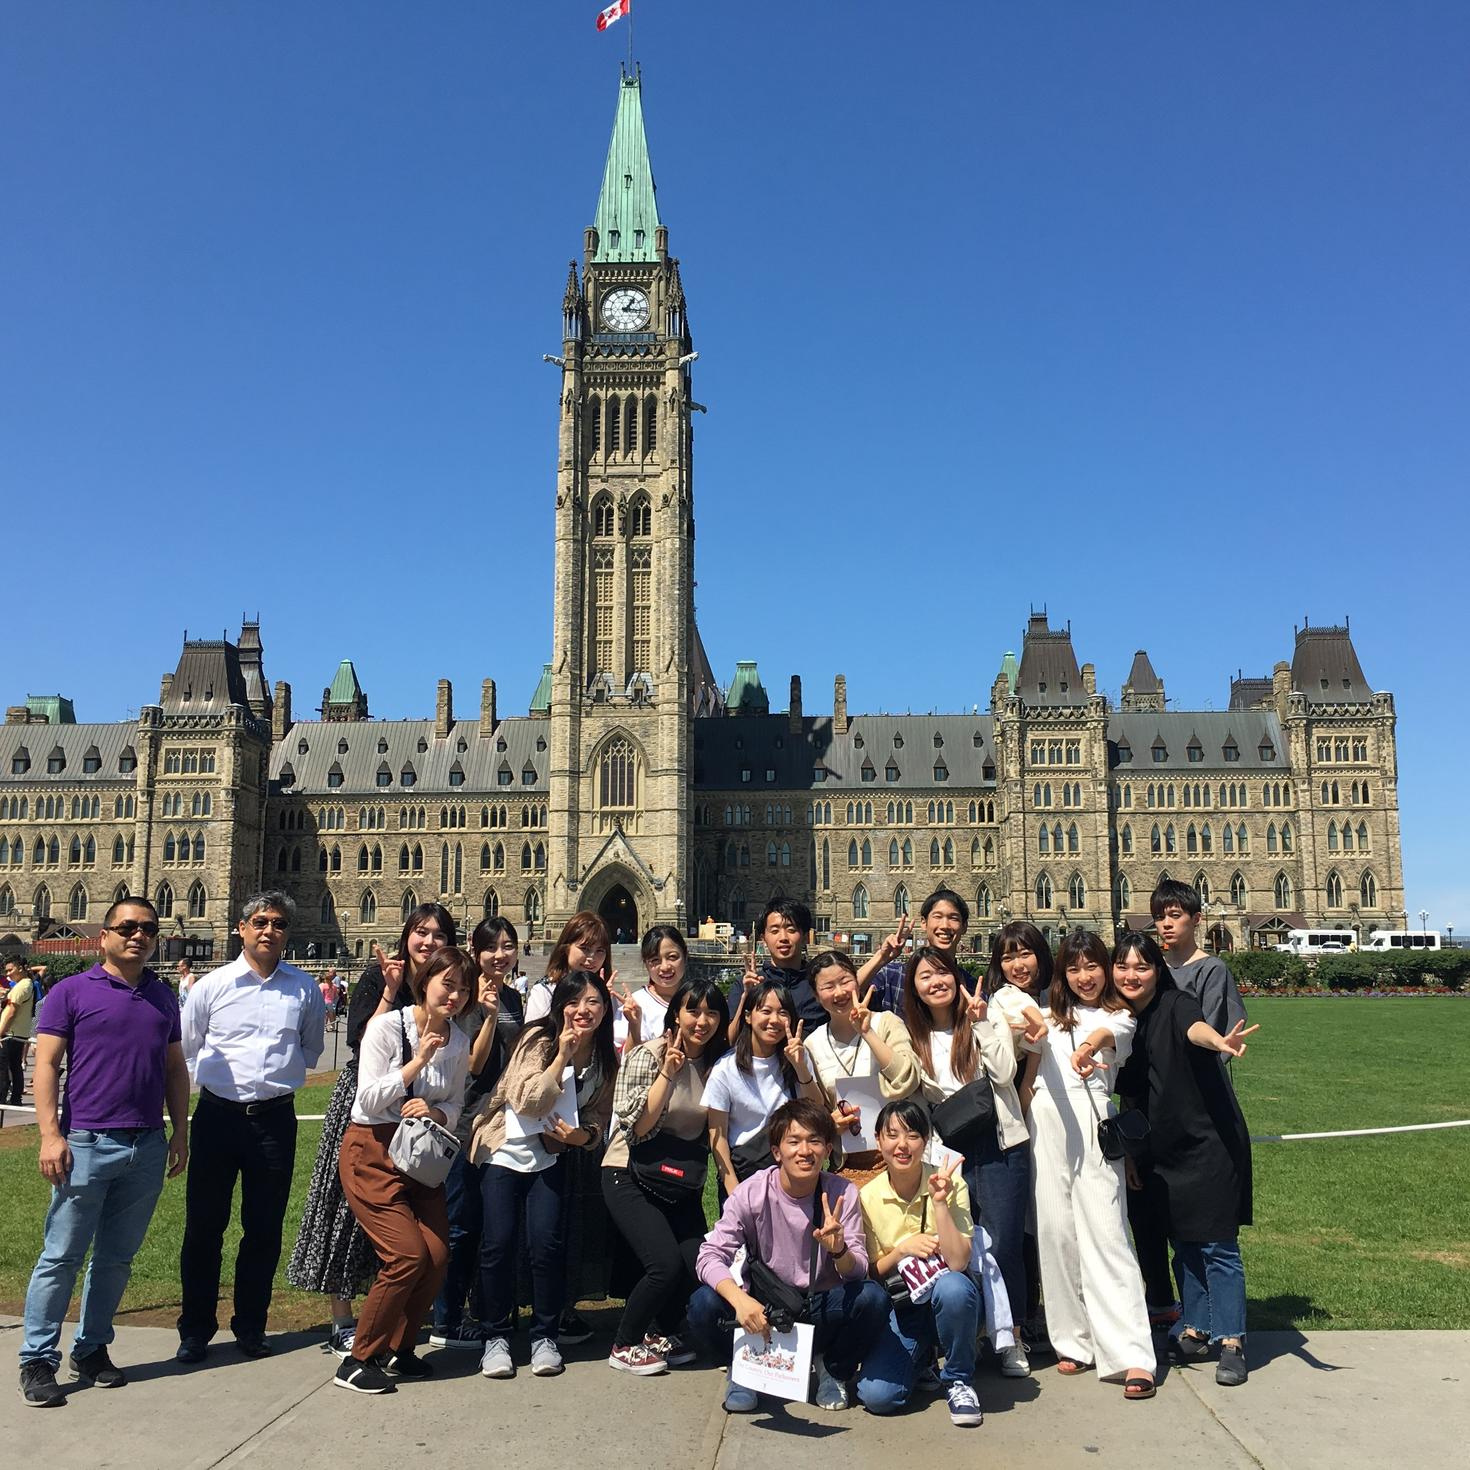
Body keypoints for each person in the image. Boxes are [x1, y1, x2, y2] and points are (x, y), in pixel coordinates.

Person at [17, 898, 189, 1407]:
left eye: (148, 929)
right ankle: (37, 1358)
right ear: (105, 935)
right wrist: (51, 1135)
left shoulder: (163, 996)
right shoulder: (71, 992)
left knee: (116, 1259)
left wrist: (180, 1132)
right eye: (127, 927)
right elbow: (46, 1064)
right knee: (61, 1257)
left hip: (146, 1143)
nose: (138, 936)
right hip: (86, 1142)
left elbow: (174, 1068)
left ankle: (91, 1348)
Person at [286, 903, 456, 1357]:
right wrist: (390, 990)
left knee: (406, 1226)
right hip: (367, 1104)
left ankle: (391, 1322)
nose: (429, 942)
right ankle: (343, 1320)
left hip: (418, 1115)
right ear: (407, 935)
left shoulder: (449, 987)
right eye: (421, 932)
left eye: (439, 934)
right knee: (344, 1214)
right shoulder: (379, 976)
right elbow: (362, 1045)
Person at [175, 892, 326, 1363]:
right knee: (204, 1228)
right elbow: (188, 1048)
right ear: (241, 928)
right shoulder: (211, 986)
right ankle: (195, 1329)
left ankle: (251, 1326)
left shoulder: (303, 989)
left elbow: (311, 1049)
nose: (268, 931)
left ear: (287, 932)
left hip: (274, 1121)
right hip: (217, 1118)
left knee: (263, 1230)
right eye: (260, 922)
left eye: (278, 923)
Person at [1113, 931, 1258, 1388]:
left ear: (1157, 970)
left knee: (1216, 1246)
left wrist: (1218, 1041)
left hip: (1208, 1143)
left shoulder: (1176, 1004)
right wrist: (1132, 1152)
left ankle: (1231, 1341)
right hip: (1161, 1150)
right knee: (1185, 1244)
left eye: (1142, 966)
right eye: (1123, 966)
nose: (1131, 975)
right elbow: (1132, 1096)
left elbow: (1194, 1028)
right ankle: (1196, 1327)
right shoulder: (1124, 1021)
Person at [689, 1097, 889, 1413]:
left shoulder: (842, 1193)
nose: (804, 1151)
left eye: (815, 1141)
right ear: (776, 1151)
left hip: (820, 1304)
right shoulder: (752, 1192)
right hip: (765, 1305)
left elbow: (858, 1272)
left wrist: (839, 1250)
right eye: (793, 1142)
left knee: (872, 1298)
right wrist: (741, 1301)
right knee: (703, 1303)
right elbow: (709, 1255)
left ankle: (832, 1368)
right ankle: (741, 1368)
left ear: (828, 1148)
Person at [334, 946, 474, 1393]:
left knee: (436, 1254)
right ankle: (358, 1358)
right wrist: (417, 1064)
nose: (454, 996)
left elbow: (456, 1103)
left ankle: (398, 1347)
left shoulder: (459, 1041)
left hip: (421, 1156)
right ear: (425, 981)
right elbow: (367, 1098)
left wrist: (435, 1113)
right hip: (373, 1152)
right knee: (406, 1255)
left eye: (463, 989)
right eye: (447, 984)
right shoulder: (386, 1028)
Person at [470, 970, 618, 1381]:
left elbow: (599, 1117)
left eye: (593, 1002)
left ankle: (544, 1336)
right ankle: (496, 1336)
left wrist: (582, 1136)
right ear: (559, 1007)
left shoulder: (605, 1058)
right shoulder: (536, 1039)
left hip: (550, 1158)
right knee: (497, 1244)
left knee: (546, 1246)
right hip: (504, 1150)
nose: (583, 1010)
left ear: (605, 1009)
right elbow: (528, 1100)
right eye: (573, 1002)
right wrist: (562, 1056)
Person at [1029, 931, 1155, 1398]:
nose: (1084, 977)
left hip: (1093, 1119)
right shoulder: (1044, 1014)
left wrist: (1086, 1049)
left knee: (1107, 1232)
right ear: (1062, 974)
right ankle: (1074, 1340)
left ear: (1105, 968)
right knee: (1056, 1233)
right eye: (1074, 968)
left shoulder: (1119, 1016)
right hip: (1046, 1121)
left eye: (1092, 966)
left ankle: (1131, 1353)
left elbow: (1105, 1037)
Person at [904, 947, 1032, 1377]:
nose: (936, 982)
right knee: (956, 1245)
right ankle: (972, 1335)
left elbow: (1004, 1072)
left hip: (999, 1143)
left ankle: (1011, 1336)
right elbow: (913, 1095)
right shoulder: (914, 1036)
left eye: (942, 973)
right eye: (925, 976)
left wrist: (980, 1022)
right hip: (950, 1151)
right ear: (914, 988)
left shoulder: (984, 1016)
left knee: (1004, 1245)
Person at [602, 976, 730, 1374]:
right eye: (693, 1011)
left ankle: (662, 1331)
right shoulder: (649, 1054)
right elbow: (639, 1128)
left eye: (712, 1013)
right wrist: (667, 1074)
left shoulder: (718, 1064)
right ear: (676, 1015)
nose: (702, 1021)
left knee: (698, 1262)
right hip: (630, 1170)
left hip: (679, 1179)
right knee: (664, 1264)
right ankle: (625, 1343)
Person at [855, 1099, 985, 1426]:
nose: (903, 1145)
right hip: (904, 1305)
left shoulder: (949, 1182)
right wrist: (902, 1251)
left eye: (913, 1135)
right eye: (892, 1135)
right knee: (878, 1397)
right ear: (878, 1140)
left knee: (954, 1288)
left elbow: (958, 1262)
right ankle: (922, 1356)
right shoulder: (868, 1197)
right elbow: (872, 1273)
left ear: (925, 1141)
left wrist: (940, 1203)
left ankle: (958, 1379)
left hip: (951, 1297)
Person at [429, 916, 525, 1350]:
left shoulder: (514, 997)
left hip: (500, 1124)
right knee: (461, 1225)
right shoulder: (464, 996)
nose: (500, 955)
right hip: (465, 1122)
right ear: (475, 950)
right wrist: (487, 1017)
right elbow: (472, 1063)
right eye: (491, 947)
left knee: (493, 1226)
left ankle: (486, 1313)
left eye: (508, 946)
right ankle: (445, 1319)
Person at [521, 910, 616, 1343]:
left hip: (579, 1131)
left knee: (575, 1224)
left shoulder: (602, 999)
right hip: (542, 1129)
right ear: (566, 948)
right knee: (544, 1228)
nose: (591, 956)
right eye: (584, 948)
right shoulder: (544, 995)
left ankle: (563, 1308)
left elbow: (606, 1065)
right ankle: (540, 1313)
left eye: (599, 950)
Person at [704, 979, 823, 1199]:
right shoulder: (726, 1068)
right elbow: (717, 1136)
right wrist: (734, 1191)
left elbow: (816, 1109)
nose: (774, 1020)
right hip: (745, 1172)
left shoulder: (797, 1056)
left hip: (792, 1170)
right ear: (748, 1016)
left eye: (783, 1013)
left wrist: (800, 1067)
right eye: (766, 1011)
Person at [804, 949, 919, 1174]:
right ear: (816, 996)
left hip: (900, 1159)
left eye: (845, 981)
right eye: (828, 987)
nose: (839, 992)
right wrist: (830, 1125)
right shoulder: (813, 1044)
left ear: (857, 982)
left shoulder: (886, 1023)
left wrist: (867, 1033)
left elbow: (908, 1080)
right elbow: (817, 1111)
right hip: (846, 1164)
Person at [858, 889, 972, 1019]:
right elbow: (847, 995)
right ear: (924, 923)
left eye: (953, 918)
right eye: (937, 917)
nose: (945, 925)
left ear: (964, 926)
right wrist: (881, 958)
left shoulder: (972, 989)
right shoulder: (893, 977)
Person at [726, 896, 821, 1044]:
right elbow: (731, 1041)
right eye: (775, 931)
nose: (783, 938)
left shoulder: (819, 985)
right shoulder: (746, 985)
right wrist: (747, 998)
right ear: (764, 938)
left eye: (791, 930)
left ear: (805, 937)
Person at [614, 924, 689, 1049]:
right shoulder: (635, 1005)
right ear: (645, 962)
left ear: (685, 955)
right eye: (655, 960)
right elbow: (622, 1057)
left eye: (672, 957)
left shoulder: (699, 998)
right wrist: (634, 1027)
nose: (665, 967)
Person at [1, 954, 42, 1105]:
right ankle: (15, 1098)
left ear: (20, 968)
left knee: (3, 1068)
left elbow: (11, 1012)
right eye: (6, 971)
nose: (8, 974)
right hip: (17, 1033)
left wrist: (0, 1033)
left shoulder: (22, 986)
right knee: (15, 1066)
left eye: (10, 970)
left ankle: (3, 1098)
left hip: (10, 1034)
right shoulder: (25, 984)